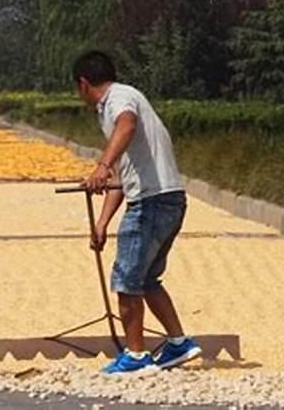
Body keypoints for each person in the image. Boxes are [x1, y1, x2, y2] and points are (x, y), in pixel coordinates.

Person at [73, 50, 202, 374]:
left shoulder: (119, 99)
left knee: (127, 279)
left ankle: (137, 355)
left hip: (153, 202)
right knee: (146, 279)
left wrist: (100, 165)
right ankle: (179, 344)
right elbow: (121, 175)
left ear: (83, 83)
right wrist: (102, 222)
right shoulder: (117, 106)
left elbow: (127, 125)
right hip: (166, 199)